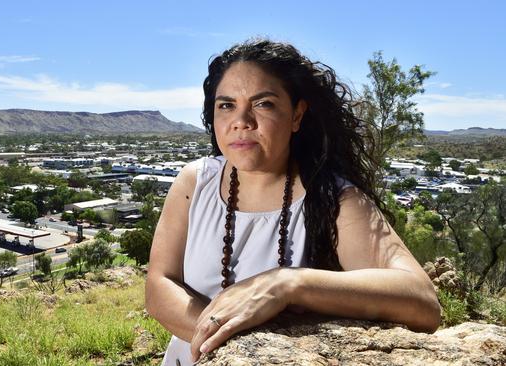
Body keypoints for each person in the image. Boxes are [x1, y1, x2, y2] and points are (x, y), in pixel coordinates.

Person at [145, 39, 441, 365]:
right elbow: (160, 287)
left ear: (297, 115)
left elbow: (422, 301)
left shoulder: (333, 200)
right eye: (226, 105)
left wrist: (287, 283)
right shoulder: (195, 182)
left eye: (264, 104)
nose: (241, 120)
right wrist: (227, 342)